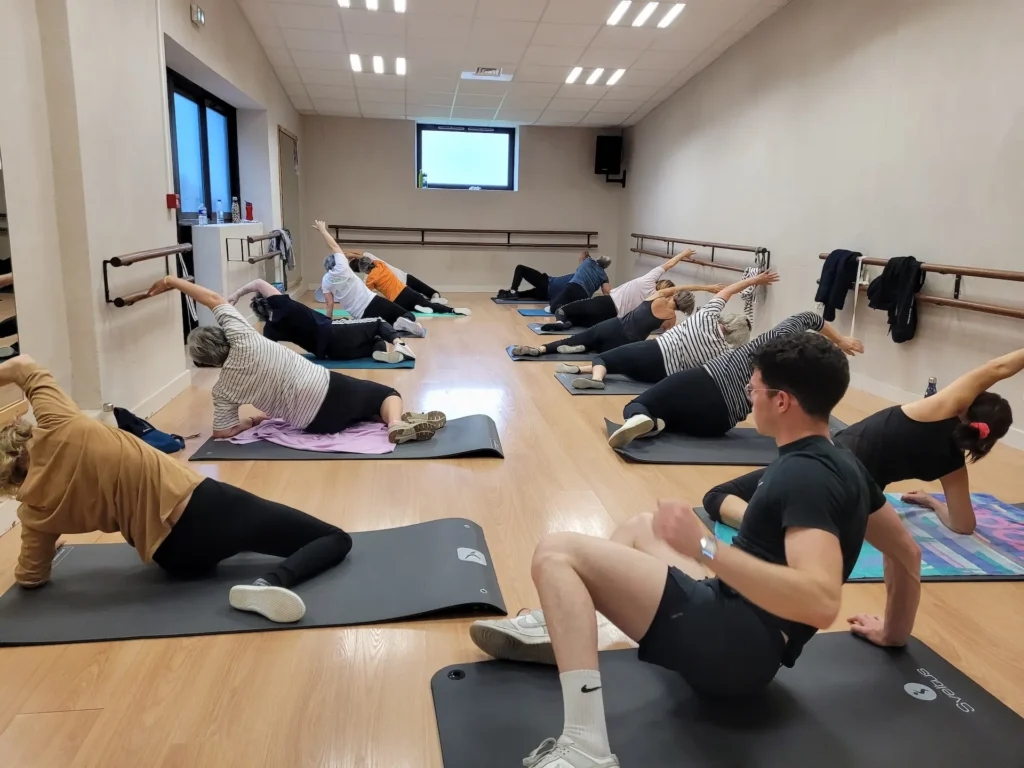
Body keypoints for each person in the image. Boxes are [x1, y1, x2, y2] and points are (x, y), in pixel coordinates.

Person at [466, 333, 921, 768]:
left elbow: (819, 601)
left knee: (556, 552)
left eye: (755, 388)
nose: (748, 394)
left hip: (733, 650)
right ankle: (560, 624)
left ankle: (586, 746)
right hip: (741, 630)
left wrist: (703, 547)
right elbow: (906, 552)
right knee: (642, 527)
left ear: (782, 401)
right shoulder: (845, 463)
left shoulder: (803, 476)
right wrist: (894, 633)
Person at [0, 354, 355, 624]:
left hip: (175, 559)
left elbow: (31, 577)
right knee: (334, 538)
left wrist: (46, 545)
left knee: (243, 540)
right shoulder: (59, 423)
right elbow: (22, 365)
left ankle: (243, 544)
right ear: (19, 433)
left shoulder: (35, 513)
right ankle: (268, 584)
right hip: (205, 509)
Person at [704, 346, 1021, 534]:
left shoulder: (939, 408)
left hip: (824, 462)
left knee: (717, 495)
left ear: (968, 403)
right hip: (855, 504)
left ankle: (762, 526)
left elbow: (999, 367)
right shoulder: (953, 465)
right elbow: (964, 525)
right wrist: (933, 502)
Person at [149, 275, 445, 444]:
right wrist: (172, 281)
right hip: (327, 387)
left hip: (313, 423)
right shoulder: (243, 336)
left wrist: (252, 420)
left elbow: (221, 432)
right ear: (221, 335)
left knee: (361, 410)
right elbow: (214, 299)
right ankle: (395, 423)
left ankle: (398, 419)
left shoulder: (223, 390)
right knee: (386, 394)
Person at [607, 311, 863, 448]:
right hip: (718, 423)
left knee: (640, 404)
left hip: (704, 381)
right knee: (670, 419)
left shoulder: (772, 342)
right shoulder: (800, 371)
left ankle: (641, 418)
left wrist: (840, 339)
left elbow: (808, 317)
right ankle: (655, 424)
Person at [564, 271, 778, 390]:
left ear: (729, 320)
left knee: (603, 358)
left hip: (655, 351)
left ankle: (596, 379)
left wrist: (755, 280)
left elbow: (728, 290)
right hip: (662, 376)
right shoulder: (723, 352)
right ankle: (581, 370)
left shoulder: (706, 316)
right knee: (622, 367)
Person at [229, 278, 416, 364]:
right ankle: (401, 345)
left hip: (331, 354)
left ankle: (377, 352)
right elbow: (258, 283)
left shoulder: (270, 330)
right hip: (334, 332)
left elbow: (268, 354)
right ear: (270, 300)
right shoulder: (282, 304)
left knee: (375, 338)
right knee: (378, 322)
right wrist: (236, 294)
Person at [510, 284, 708, 360]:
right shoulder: (671, 319)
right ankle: (585, 349)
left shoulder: (657, 296)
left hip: (614, 325)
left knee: (573, 339)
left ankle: (542, 349)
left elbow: (676, 288)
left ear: (676, 295)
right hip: (627, 342)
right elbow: (665, 340)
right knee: (601, 355)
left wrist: (705, 287)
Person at [313, 220, 427, 336]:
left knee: (382, 327)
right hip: (373, 301)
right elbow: (333, 245)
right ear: (337, 262)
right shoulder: (342, 267)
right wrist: (323, 230)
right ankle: (405, 322)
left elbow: (329, 304)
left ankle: (396, 326)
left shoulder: (326, 281)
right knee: (408, 315)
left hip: (360, 315)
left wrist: (328, 324)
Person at [555, 248, 699, 328]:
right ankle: (567, 323)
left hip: (607, 302)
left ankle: (561, 321)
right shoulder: (656, 303)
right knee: (579, 323)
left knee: (563, 310)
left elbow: (669, 264)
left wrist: (683, 254)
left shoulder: (649, 280)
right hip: (614, 319)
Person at [356, 256, 470, 316]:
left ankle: (416, 308)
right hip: (406, 290)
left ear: (364, 269)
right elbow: (373, 260)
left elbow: (366, 294)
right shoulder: (381, 265)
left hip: (397, 299)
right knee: (427, 304)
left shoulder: (370, 278)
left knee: (400, 311)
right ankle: (452, 310)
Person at [346, 249, 449, 305]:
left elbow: (365, 292)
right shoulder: (375, 262)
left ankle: (431, 301)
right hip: (405, 279)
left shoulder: (369, 277)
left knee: (419, 299)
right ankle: (434, 299)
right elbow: (359, 254)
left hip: (400, 289)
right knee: (430, 294)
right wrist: (344, 254)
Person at [498, 253, 589, 302]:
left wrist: (584, 258)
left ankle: (513, 291)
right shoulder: (585, 286)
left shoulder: (580, 276)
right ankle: (513, 293)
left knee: (520, 268)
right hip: (547, 295)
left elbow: (582, 262)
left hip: (546, 283)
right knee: (524, 294)